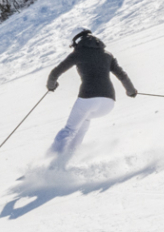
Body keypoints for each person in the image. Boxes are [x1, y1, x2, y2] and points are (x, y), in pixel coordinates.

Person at [44, 29, 137, 157]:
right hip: (108, 102)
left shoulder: (78, 54)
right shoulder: (107, 54)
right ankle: (68, 157)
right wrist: (131, 91)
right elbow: (122, 76)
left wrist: (51, 86)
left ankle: (50, 163)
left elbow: (55, 73)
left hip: (88, 98)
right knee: (84, 120)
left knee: (70, 129)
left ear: (77, 42)